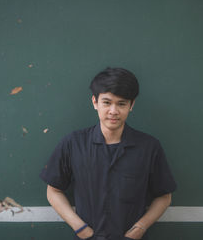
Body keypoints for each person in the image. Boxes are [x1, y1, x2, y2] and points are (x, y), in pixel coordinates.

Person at [40, 67, 177, 240]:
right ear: (95, 102)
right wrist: (81, 229)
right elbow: (53, 191)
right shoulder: (73, 143)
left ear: (131, 105)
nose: (113, 111)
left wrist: (139, 229)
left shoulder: (149, 147)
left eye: (121, 104)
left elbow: (164, 196)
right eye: (106, 102)